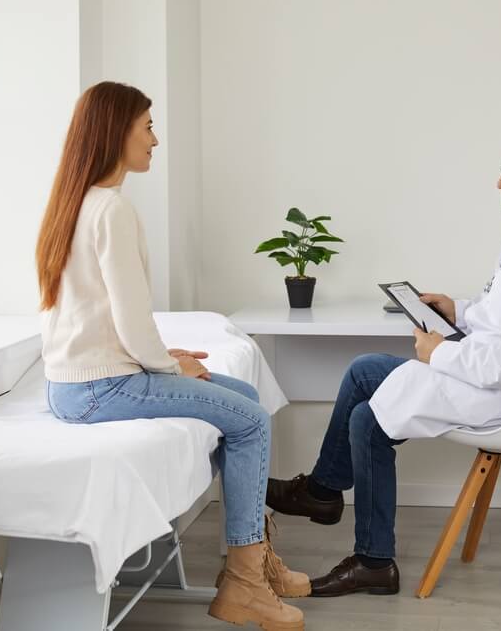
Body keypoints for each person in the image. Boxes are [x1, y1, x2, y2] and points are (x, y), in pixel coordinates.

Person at [267, 133, 501, 598]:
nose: (499, 183)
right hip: (490, 375)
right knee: (364, 369)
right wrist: (457, 311)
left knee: (368, 420)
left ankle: (374, 561)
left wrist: (438, 352)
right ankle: (323, 494)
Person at [36, 81, 306, 629]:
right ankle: (245, 584)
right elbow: (133, 324)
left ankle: (253, 561)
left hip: (77, 383)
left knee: (244, 396)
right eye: (148, 126)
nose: (156, 140)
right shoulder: (112, 209)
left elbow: (108, 320)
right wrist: (166, 363)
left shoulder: (75, 202)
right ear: (117, 134)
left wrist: (160, 354)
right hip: (101, 388)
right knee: (251, 421)